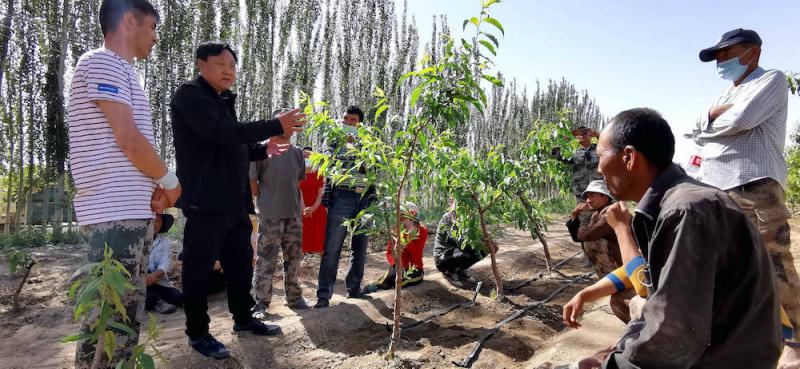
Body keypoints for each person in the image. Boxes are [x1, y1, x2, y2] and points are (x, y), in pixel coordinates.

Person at [572, 108, 781, 369]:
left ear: (629, 157)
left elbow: (672, 336)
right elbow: (657, 301)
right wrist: (620, 350)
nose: (599, 169)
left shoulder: (687, 211)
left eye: (601, 156)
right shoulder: (675, 204)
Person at [170, 41, 305, 359]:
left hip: (234, 202)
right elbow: (219, 133)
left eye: (233, 65)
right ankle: (198, 333)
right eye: (221, 63)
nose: (229, 70)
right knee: (198, 270)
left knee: (240, 266)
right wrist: (275, 125)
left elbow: (231, 143)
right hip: (205, 202)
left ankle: (243, 320)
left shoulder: (223, 100)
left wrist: (263, 149)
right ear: (201, 64)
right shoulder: (190, 96)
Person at [67, 0, 181, 366]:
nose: (155, 37)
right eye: (152, 27)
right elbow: (128, 139)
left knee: (119, 319)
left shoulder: (122, 71)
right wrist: (170, 181)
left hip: (126, 212)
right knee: (112, 324)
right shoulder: (103, 62)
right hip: (114, 214)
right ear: (129, 21)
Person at [696, 28, 800, 366]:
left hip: (755, 185)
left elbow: (741, 120)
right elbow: (696, 128)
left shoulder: (771, 80)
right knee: (731, 265)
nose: (721, 61)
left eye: (726, 53)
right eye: (718, 56)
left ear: (752, 51)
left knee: (773, 262)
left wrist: (713, 119)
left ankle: (795, 340)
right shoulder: (726, 92)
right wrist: (710, 117)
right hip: (718, 188)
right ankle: (750, 333)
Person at [314, 106, 375, 308]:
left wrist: (360, 150)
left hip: (364, 197)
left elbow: (373, 166)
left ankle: (354, 288)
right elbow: (330, 162)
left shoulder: (369, 141)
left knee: (360, 247)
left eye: (353, 120)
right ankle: (324, 295)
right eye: (346, 119)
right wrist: (348, 150)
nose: (348, 123)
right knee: (332, 247)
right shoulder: (332, 138)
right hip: (342, 196)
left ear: (360, 123)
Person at [250, 127, 310, 315]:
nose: (290, 128)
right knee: (266, 260)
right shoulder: (261, 150)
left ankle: (294, 297)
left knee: (293, 258)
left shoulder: (298, 153)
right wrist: (267, 200)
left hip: (293, 215)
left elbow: (297, 182)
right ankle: (260, 302)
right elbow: (252, 183)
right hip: (270, 215)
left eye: (293, 125)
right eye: (285, 123)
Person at [565, 180, 634, 323]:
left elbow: (586, 235)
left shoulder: (611, 213)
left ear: (604, 196)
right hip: (622, 269)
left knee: (621, 302)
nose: (588, 199)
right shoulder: (598, 215)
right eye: (587, 196)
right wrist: (574, 217)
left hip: (629, 269)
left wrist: (576, 217)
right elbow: (579, 236)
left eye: (592, 195)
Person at [363, 202, 428, 293]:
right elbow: (390, 252)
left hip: (414, 268)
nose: (400, 219)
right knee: (387, 279)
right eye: (399, 216)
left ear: (412, 218)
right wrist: (397, 265)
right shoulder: (396, 229)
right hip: (399, 265)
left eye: (403, 217)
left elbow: (416, 255)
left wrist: (405, 237)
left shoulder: (422, 231)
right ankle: (375, 287)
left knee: (400, 282)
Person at [433, 199, 497, 288]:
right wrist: (480, 243)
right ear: (451, 203)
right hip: (443, 257)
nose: (460, 206)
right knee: (465, 252)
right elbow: (459, 242)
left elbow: (476, 234)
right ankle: (448, 272)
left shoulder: (464, 219)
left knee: (484, 250)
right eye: (458, 203)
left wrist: (488, 241)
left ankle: (460, 270)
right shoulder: (447, 218)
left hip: (457, 251)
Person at [551, 126, 604, 202]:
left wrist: (597, 134)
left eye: (584, 133)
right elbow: (557, 155)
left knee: (601, 212)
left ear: (590, 135)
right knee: (583, 213)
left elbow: (609, 145)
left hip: (598, 190)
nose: (580, 136)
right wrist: (563, 140)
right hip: (581, 190)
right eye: (578, 134)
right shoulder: (574, 153)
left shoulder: (598, 149)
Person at [145, 214, 183, 314]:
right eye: (152, 221)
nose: (155, 224)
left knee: (176, 296)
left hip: (158, 280)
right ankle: (156, 302)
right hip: (141, 282)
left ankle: (187, 302)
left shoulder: (164, 242)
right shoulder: (136, 240)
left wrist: (154, 276)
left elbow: (164, 263)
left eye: (158, 222)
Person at [299, 147, 327, 254]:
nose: (307, 158)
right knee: (302, 243)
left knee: (320, 243)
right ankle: (298, 269)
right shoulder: (297, 174)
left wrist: (312, 209)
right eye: (305, 156)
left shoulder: (319, 174)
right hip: (302, 212)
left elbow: (320, 194)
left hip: (318, 211)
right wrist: (304, 210)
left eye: (309, 156)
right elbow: (298, 193)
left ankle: (324, 270)